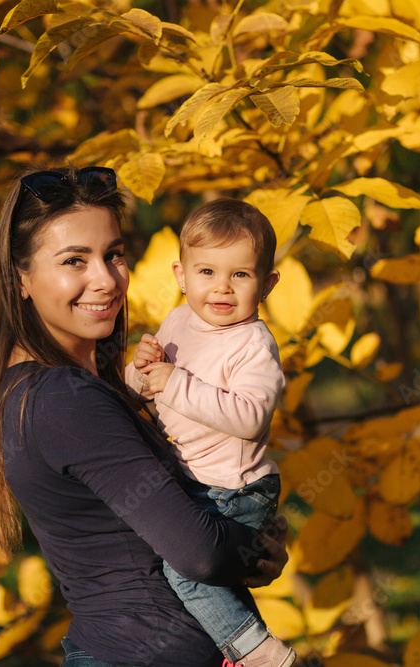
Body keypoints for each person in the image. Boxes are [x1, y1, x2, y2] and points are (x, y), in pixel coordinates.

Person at [0, 167, 287, 667]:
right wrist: (261, 547)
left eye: (113, 254)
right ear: (21, 279)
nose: (104, 279)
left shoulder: (47, 385)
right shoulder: (63, 397)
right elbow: (198, 554)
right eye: (74, 260)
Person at [125, 198, 295, 667]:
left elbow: (250, 417)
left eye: (240, 275)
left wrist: (174, 383)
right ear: (181, 276)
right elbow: (148, 391)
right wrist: (139, 375)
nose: (221, 288)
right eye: (207, 273)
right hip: (197, 482)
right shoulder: (179, 320)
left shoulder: (252, 343)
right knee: (205, 576)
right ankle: (231, 646)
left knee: (190, 572)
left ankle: (260, 654)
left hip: (234, 489)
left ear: (268, 283)